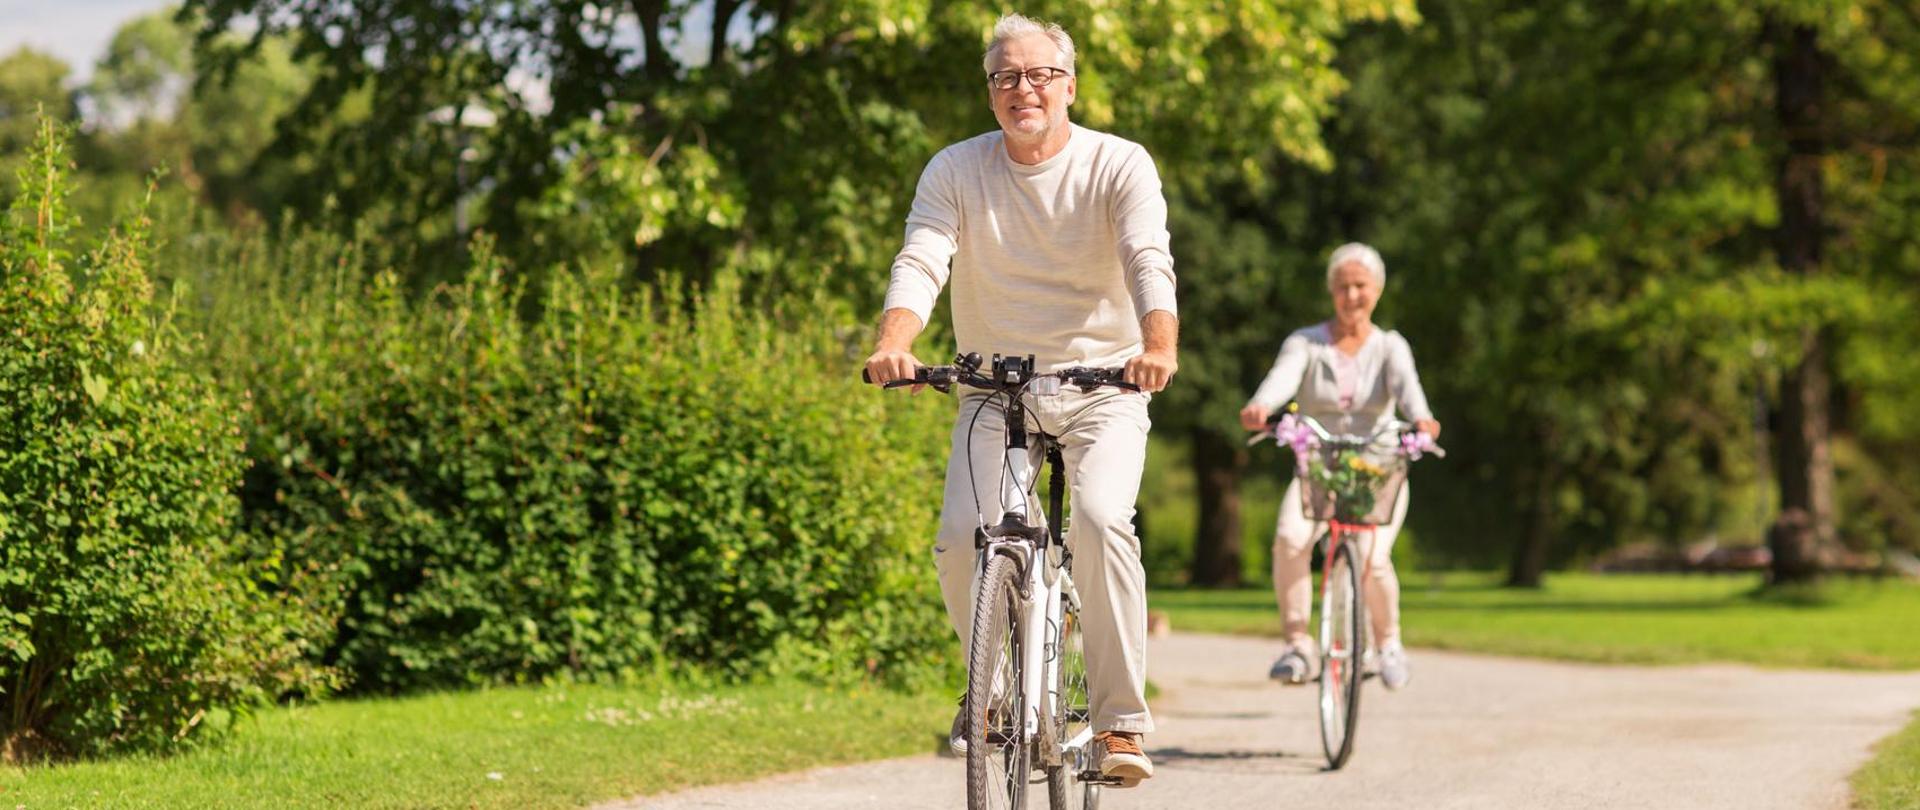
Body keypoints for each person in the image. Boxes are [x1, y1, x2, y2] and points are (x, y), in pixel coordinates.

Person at [863, 12, 1178, 786]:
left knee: (1102, 521)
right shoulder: (955, 169)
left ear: (1069, 85)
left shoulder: (1118, 163)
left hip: (1104, 384)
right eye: (1006, 77)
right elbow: (923, 256)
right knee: (963, 536)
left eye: (1039, 74)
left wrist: (1157, 344)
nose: (1022, 89)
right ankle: (994, 698)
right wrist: (894, 341)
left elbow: (1147, 256)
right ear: (991, 92)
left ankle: (1118, 726)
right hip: (994, 388)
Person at [1237, 242, 1439, 691]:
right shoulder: (1306, 342)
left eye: (1361, 286)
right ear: (1331, 291)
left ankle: (1387, 645)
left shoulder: (1390, 346)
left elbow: (1409, 391)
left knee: (1372, 557)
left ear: (1378, 290)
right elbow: (1281, 378)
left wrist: (1423, 418)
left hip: (1377, 470)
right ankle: (1298, 644)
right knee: (1290, 538)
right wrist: (1262, 405)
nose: (1352, 296)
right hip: (1319, 467)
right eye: (1343, 287)